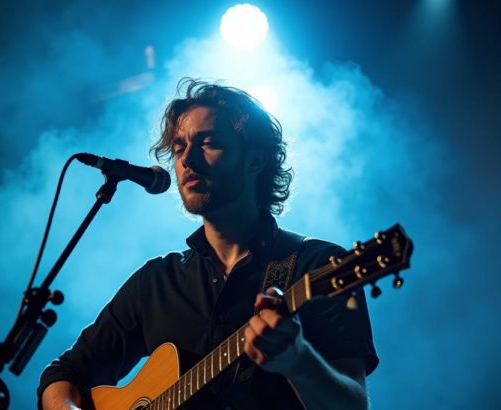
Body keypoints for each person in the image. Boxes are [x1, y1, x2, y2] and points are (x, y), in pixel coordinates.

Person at [38, 78, 378, 409]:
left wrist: (299, 361)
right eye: (179, 147)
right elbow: (63, 374)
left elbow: (353, 405)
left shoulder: (319, 265)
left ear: (255, 161)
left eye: (209, 142)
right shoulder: (157, 282)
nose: (188, 160)